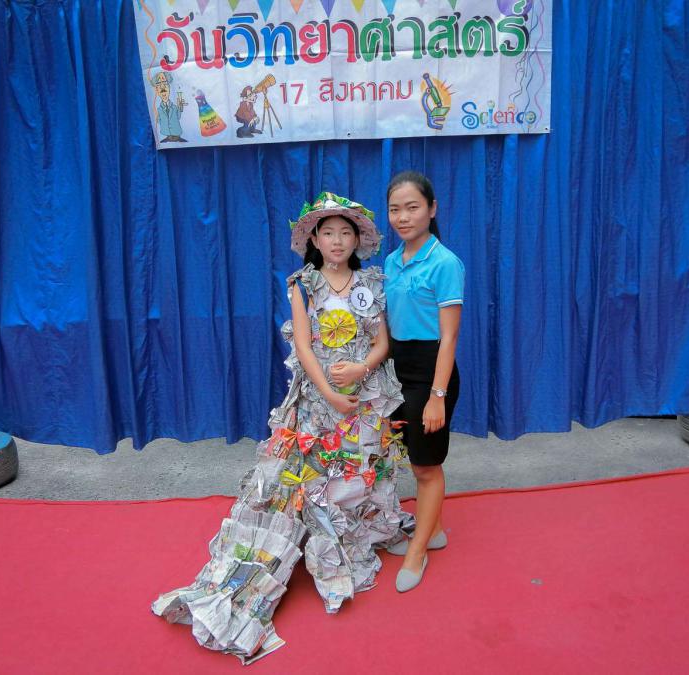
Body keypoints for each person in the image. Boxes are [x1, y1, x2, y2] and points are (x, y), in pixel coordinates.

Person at [152, 192, 413, 662]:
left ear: (357, 239)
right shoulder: (303, 285)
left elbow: (383, 340)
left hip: (365, 395)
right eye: (329, 233)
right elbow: (305, 348)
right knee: (313, 473)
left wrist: (361, 369)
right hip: (318, 399)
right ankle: (304, 543)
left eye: (346, 232)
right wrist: (330, 392)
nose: (337, 241)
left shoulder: (371, 282)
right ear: (315, 239)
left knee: (361, 466)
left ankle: (358, 534)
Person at [383, 171, 465, 593]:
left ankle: (418, 550)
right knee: (414, 457)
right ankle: (434, 530)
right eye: (395, 209)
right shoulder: (390, 262)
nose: (403, 217)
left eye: (412, 207)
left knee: (425, 466)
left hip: (432, 372)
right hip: (398, 370)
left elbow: (448, 338)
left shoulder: (445, 263)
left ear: (432, 210)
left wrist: (437, 396)